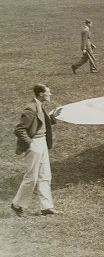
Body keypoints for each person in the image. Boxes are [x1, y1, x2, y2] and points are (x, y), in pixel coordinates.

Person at [11, 84, 62, 217]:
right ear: (40, 94)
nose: (50, 95)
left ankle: (46, 207)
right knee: (31, 178)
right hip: (35, 144)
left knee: (45, 175)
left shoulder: (39, 106)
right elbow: (19, 129)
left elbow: (40, 123)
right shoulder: (31, 108)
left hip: (43, 142)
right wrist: (30, 144)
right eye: (48, 93)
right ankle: (17, 205)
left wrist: (52, 117)